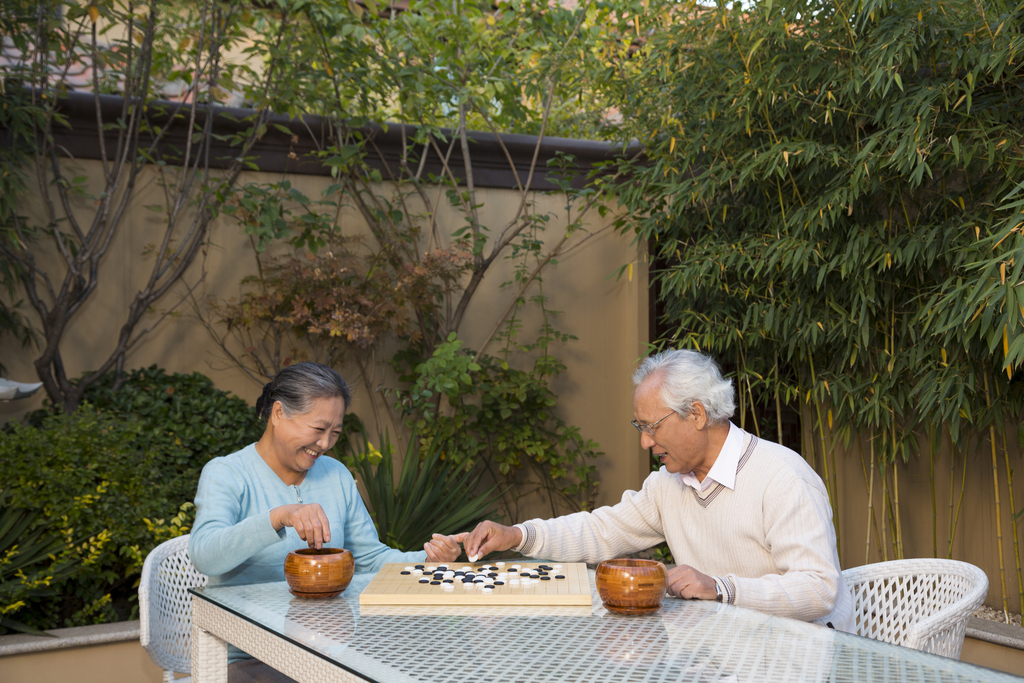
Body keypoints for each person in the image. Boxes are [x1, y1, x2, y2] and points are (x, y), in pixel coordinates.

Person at [463, 349, 853, 631]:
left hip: (797, 659)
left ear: (696, 414)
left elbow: (817, 589)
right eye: (640, 428)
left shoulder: (783, 477)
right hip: (717, 655)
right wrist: (517, 535)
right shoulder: (667, 485)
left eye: (652, 426)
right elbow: (601, 531)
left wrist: (720, 588)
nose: (646, 443)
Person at [190, 362, 462, 682]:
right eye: (318, 429)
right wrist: (278, 517)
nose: (325, 444)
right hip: (251, 655)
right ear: (278, 414)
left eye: (335, 432)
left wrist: (427, 561)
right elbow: (205, 555)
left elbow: (368, 559)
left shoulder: (337, 475)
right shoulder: (227, 473)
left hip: (333, 650)